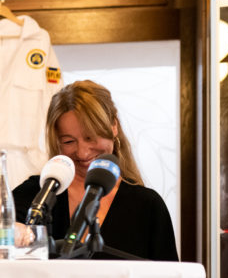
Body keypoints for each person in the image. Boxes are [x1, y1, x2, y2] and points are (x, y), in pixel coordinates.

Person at [12, 79, 178, 261]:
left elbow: (170, 276)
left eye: (90, 137)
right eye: (68, 141)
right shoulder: (36, 194)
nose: (82, 153)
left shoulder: (147, 206)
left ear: (114, 126)